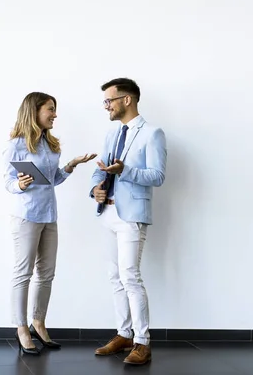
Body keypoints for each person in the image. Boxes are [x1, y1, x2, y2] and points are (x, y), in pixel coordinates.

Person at [2, 92, 96, 355]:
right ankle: (21, 328)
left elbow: (52, 180)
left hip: (49, 215)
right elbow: (8, 182)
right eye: (50, 109)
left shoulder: (50, 143)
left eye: (55, 110)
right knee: (23, 273)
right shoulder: (16, 144)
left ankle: (38, 322)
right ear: (35, 112)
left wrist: (71, 165)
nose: (55, 114)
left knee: (47, 273)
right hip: (26, 216)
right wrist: (19, 184)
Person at [90, 78, 167, 365]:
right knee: (115, 278)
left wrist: (126, 171)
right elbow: (100, 171)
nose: (106, 106)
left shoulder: (152, 133)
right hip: (107, 213)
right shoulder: (112, 134)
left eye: (109, 100)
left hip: (132, 216)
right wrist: (95, 189)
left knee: (130, 277)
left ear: (127, 100)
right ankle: (123, 333)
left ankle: (142, 341)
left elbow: (157, 176)